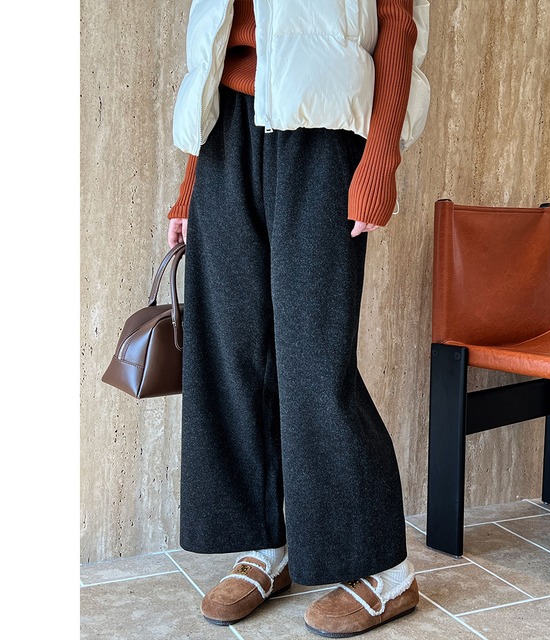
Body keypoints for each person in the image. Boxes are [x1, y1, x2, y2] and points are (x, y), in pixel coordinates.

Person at [166, 1, 430, 636]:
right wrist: (192, 182)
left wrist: (380, 160)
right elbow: (214, 46)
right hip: (226, 133)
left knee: (316, 359)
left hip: (322, 131)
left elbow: (398, 23)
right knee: (231, 352)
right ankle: (268, 544)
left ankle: (387, 570)